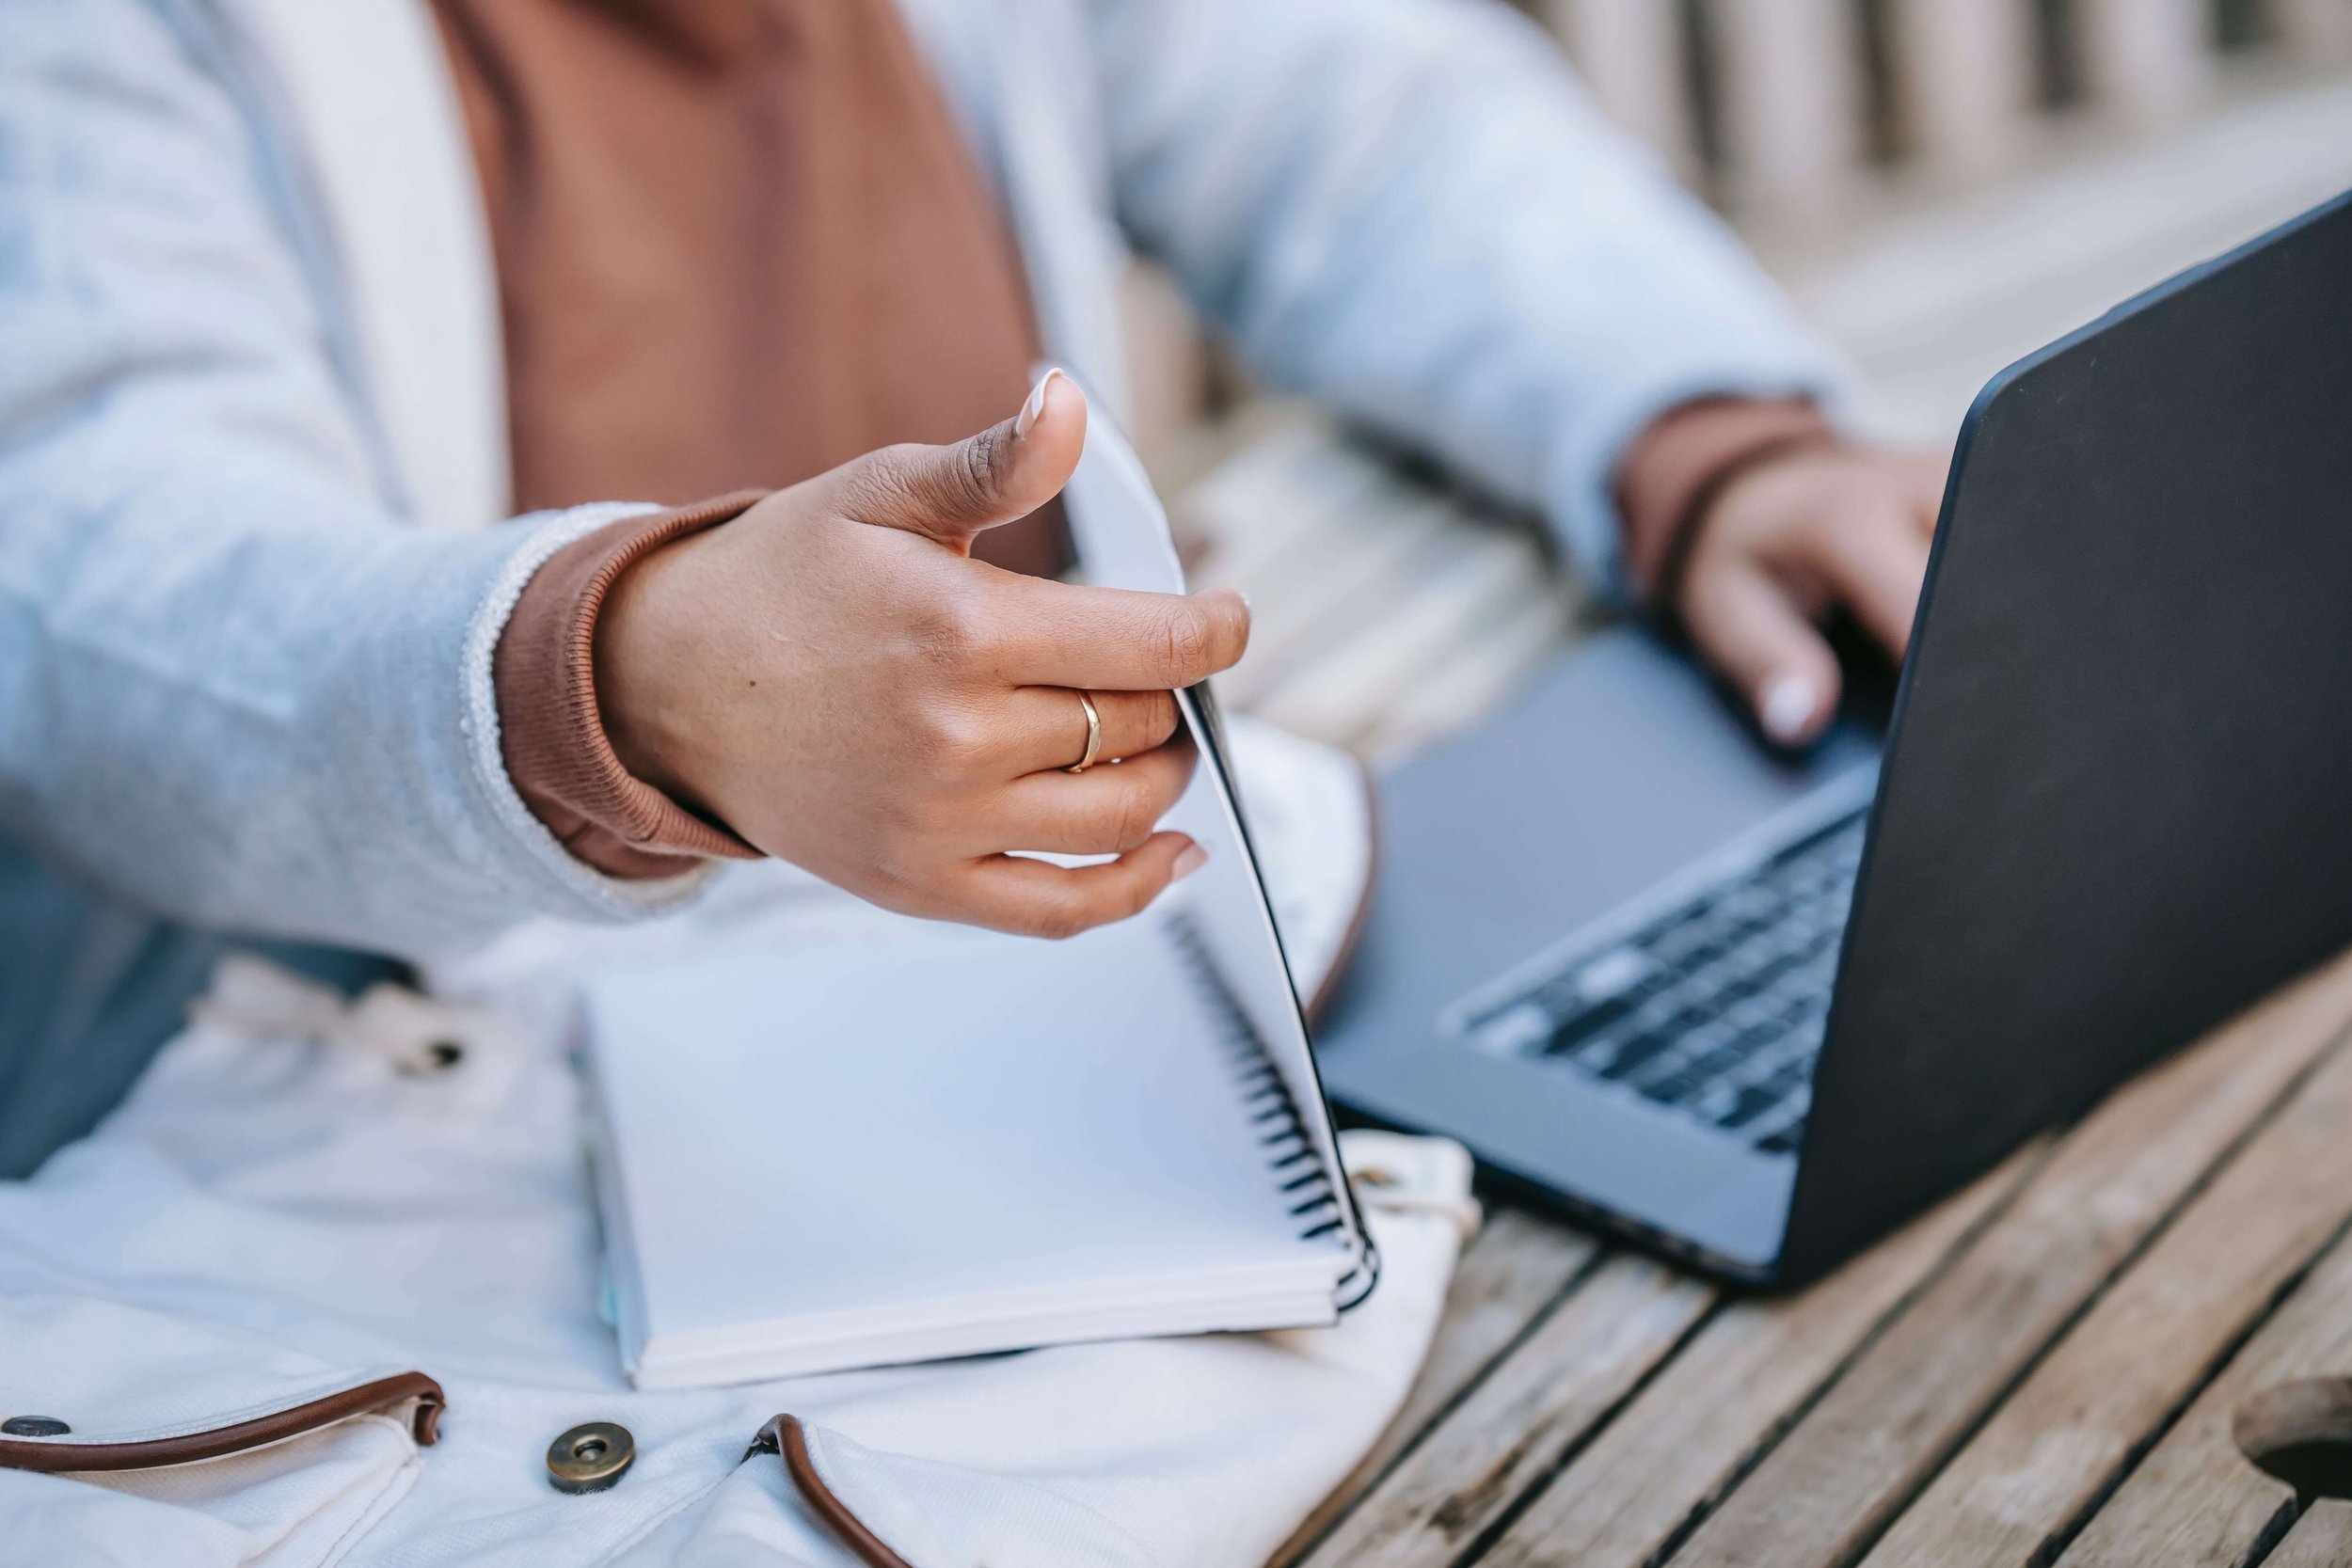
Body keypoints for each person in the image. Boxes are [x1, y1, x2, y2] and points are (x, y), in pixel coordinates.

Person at [0, 0, 1941, 1173]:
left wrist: (1700, 438)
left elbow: (1344, 118)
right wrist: (627, 677)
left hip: (1101, 984)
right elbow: (92, 560)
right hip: (395, 1104)